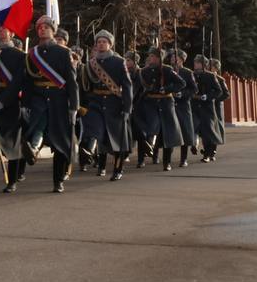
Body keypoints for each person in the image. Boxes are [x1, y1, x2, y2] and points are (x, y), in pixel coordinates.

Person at [24, 15, 79, 193]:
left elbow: (72, 81)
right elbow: (28, 80)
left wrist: (74, 106)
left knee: (60, 143)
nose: (42, 29)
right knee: (37, 126)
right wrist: (25, 102)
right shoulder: (33, 53)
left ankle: (58, 181)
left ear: (53, 31)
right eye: (39, 27)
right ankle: (33, 149)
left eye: (46, 27)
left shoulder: (64, 52)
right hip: (39, 98)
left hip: (59, 100)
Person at [81, 31, 133, 181]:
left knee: (117, 140)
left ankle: (118, 169)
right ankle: (89, 151)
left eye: (104, 42)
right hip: (96, 102)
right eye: (99, 42)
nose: (101, 44)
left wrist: (127, 107)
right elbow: (86, 85)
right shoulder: (91, 63)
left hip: (114, 104)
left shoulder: (118, 61)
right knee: (93, 129)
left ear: (110, 44)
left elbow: (127, 86)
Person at [0, 25, 26, 191]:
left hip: (10, 103)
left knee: (13, 143)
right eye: (0, 29)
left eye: (5, 29)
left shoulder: (19, 56)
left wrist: (4, 100)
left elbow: (18, 81)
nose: (1, 31)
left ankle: (12, 181)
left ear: (12, 33)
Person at [135, 49, 186, 171]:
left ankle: (166, 162)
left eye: (153, 56)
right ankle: (148, 151)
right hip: (150, 104)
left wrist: (168, 89)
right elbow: (139, 88)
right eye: (150, 56)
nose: (150, 58)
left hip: (166, 104)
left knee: (168, 135)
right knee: (151, 128)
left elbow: (181, 83)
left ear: (159, 58)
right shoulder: (144, 71)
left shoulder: (167, 70)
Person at [193, 56, 226, 162]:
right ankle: (196, 144)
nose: (196, 65)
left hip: (210, 107)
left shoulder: (214, 77)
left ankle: (209, 153)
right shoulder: (193, 75)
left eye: (198, 63)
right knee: (198, 129)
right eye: (195, 63)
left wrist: (210, 97)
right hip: (196, 107)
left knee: (210, 131)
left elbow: (222, 93)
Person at [171, 49, 198, 167]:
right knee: (169, 132)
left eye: (175, 58)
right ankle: (164, 158)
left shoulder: (187, 72)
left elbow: (194, 89)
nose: (173, 59)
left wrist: (183, 94)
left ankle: (183, 159)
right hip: (170, 104)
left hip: (183, 105)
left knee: (185, 132)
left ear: (181, 60)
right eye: (172, 57)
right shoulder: (168, 70)